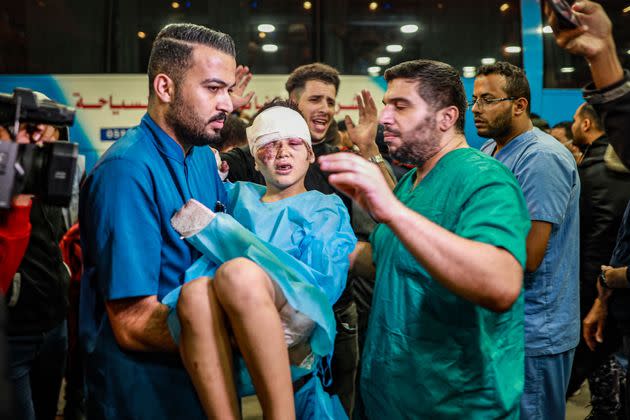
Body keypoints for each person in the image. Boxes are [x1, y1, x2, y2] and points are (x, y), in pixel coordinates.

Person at [319, 59, 531, 418]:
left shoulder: (485, 181)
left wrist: (392, 210)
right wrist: (324, 248)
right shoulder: (411, 182)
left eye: (400, 106)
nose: (385, 117)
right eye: (387, 104)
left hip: (450, 406)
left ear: (446, 118)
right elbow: (394, 258)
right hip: (388, 396)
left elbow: (500, 283)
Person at [79, 23, 252, 419]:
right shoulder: (127, 171)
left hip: (202, 385)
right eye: (213, 88)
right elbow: (132, 321)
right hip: (145, 395)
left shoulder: (203, 159)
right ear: (165, 88)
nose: (227, 103)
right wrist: (244, 333)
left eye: (228, 89)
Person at [221, 62, 392, 416]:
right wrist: (224, 114)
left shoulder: (336, 160)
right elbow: (205, 166)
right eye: (316, 99)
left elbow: (395, 212)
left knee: (333, 398)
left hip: (335, 316)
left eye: (331, 101)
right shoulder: (245, 172)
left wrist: (369, 151)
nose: (327, 109)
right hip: (262, 323)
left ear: (310, 154)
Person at [166, 99, 356, 419]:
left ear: (310, 153)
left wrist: (224, 238)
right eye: (269, 144)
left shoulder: (325, 206)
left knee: (238, 272)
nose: (282, 152)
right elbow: (194, 188)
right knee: (195, 293)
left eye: (294, 143)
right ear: (254, 159)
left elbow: (321, 282)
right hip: (237, 316)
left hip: (297, 313)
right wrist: (210, 163)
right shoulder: (238, 196)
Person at [472, 61, 580, 420]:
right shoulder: (489, 153)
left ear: (519, 105)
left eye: (488, 99)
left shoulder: (542, 158)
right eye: (474, 99)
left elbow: (530, 255)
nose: (476, 109)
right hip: (502, 325)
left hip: (536, 330)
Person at [1, 119, 70, 420]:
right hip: (12, 336)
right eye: (30, 134)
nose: (40, 147)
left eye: (47, 136)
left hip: (54, 326)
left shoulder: (51, 186)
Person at [565, 102, 630, 418]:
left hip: (597, 290)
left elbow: (592, 243)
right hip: (610, 288)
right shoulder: (615, 167)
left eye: (576, 120)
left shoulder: (591, 172)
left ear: (587, 124)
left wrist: (596, 297)